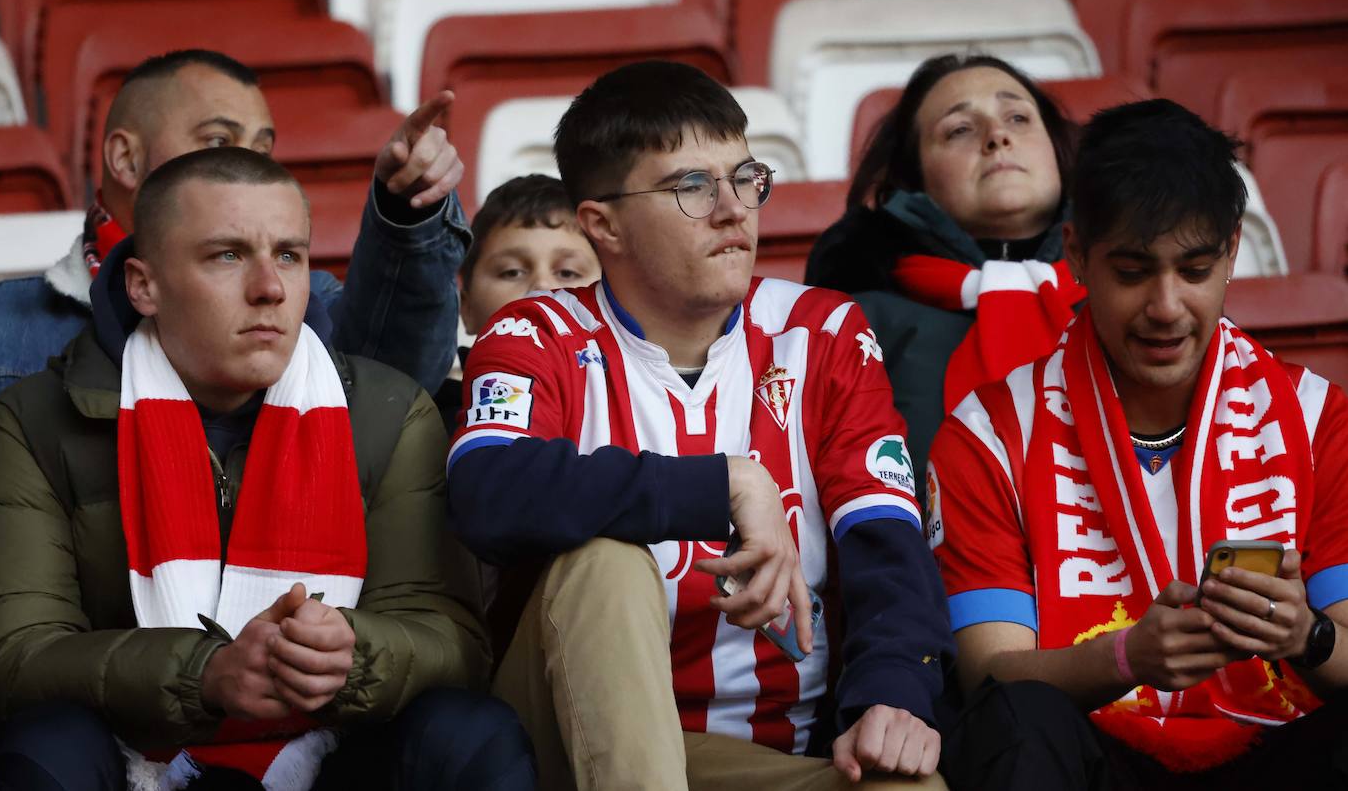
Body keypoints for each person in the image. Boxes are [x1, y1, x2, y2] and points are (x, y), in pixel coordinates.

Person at [447, 60, 951, 790]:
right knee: (606, 563)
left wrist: (893, 694)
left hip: (778, 749)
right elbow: (485, 490)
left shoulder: (823, 330)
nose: (733, 209)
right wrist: (722, 485)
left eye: (746, 178)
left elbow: (887, 543)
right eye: (691, 186)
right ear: (603, 226)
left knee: (910, 786)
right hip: (568, 741)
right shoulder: (538, 332)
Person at [0, 148, 535, 791]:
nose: (270, 287)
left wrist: (350, 654)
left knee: (467, 732)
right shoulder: (34, 420)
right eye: (228, 255)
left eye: (290, 255)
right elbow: (6, 661)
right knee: (47, 745)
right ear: (143, 285)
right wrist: (203, 674)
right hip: (131, 754)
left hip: (333, 749)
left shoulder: (386, 412)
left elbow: (455, 643)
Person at [927, 100, 1348, 789]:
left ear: (1233, 251)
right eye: (1132, 271)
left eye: (1194, 268)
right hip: (1099, 760)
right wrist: (1124, 660)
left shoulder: (1313, 417)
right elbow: (989, 670)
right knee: (1018, 719)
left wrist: (1307, 637)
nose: (1165, 306)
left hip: (1276, 750)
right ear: (1076, 257)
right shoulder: (990, 433)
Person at [0, 49, 468, 416]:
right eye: (217, 141)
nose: (246, 164)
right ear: (126, 159)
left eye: (262, 147)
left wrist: (407, 211)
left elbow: (396, 384)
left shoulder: (308, 302)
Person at [805, 54, 1083, 491]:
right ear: (914, 177)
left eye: (1017, 117)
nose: (997, 137)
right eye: (959, 129)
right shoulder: (858, 324)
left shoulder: (1130, 298)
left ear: (1059, 150)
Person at [434, 173, 601, 435]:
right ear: (466, 308)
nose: (542, 287)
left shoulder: (653, 412)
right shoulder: (427, 428)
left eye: (568, 273)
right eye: (512, 272)